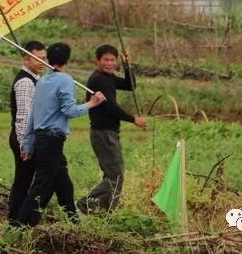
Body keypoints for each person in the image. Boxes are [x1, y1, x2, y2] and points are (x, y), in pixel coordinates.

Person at [16, 42, 105, 227]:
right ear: (68, 60)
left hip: (44, 139)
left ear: (48, 59)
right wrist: (92, 103)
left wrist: (28, 143)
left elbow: (34, 113)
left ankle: (73, 224)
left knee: (64, 185)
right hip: (52, 139)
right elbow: (69, 110)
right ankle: (20, 226)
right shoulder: (65, 80)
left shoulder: (42, 81)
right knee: (41, 185)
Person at [76, 44, 147, 214]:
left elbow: (130, 86)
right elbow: (111, 107)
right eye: (106, 60)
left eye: (113, 60)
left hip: (109, 133)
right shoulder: (98, 79)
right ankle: (83, 205)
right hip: (103, 134)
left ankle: (105, 212)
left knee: (113, 175)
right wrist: (133, 119)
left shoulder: (108, 77)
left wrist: (127, 65)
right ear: (98, 61)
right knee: (116, 176)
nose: (110, 63)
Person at [8, 40, 47, 223]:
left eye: (44, 58)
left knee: (26, 180)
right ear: (26, 58)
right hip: (23, 139)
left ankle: (19, 218)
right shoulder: (25, 82)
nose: (41, 62)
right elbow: (23, 116)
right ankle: (16, 219)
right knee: (24, 181)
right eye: (37, 58)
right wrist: (26, 145)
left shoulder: (36, 79)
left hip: (29, 139)